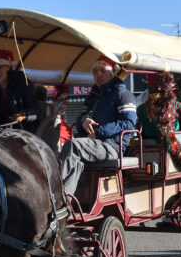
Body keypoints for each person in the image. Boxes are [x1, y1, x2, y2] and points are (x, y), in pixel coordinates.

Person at [58, 56, 138, 197]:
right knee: (75, 162)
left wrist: (99, 132)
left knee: (72, 146)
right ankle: (64, 201)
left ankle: (53, 188)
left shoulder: (124, 95)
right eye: (95, 71)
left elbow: (129, 123)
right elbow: (80, 117)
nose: (98, 74)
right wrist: (84, 120)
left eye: (102, 70)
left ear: (112, 73)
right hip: (93, 143)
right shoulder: (93, 96)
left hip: (111, 146)